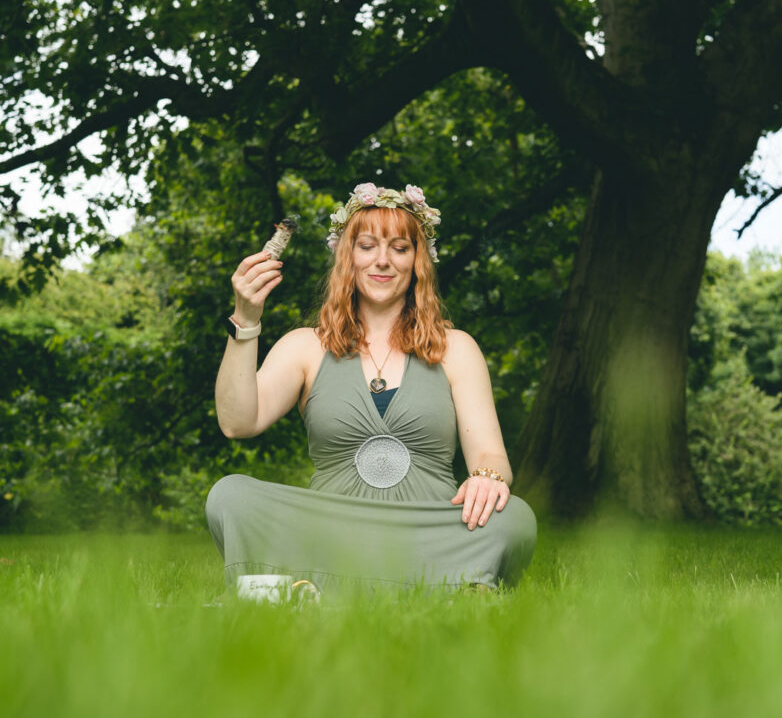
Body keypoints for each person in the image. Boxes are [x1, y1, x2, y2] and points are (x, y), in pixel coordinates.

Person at [206, 183, 537, 594]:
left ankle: (308, 589)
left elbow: (490, 455)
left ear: (419, 261)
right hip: (330, 531)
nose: (383, 260)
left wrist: (487, 478)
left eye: (400, 248)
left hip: (427, 529)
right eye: (367, 246)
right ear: (348, 257)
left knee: (515, 518)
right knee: (231, 494)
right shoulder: (304, 346)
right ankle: (447, 590)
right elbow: (238, 422)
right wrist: (246, 319)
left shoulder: (458, 349)